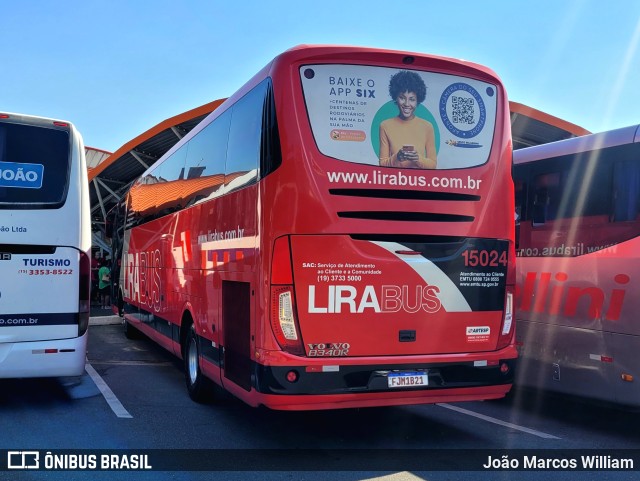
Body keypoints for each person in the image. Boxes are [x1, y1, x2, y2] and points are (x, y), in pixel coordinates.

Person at [379, 70, 437, 169]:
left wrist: (417, 158)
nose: (406, 104)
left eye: (412, 99)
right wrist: (397, 157)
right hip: (394, 180)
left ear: (417, 101)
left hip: (419, 181)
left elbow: (433, 165)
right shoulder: (385, 125)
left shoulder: (427, 127)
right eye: (402, 98)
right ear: (396, 98)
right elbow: (382, 163)